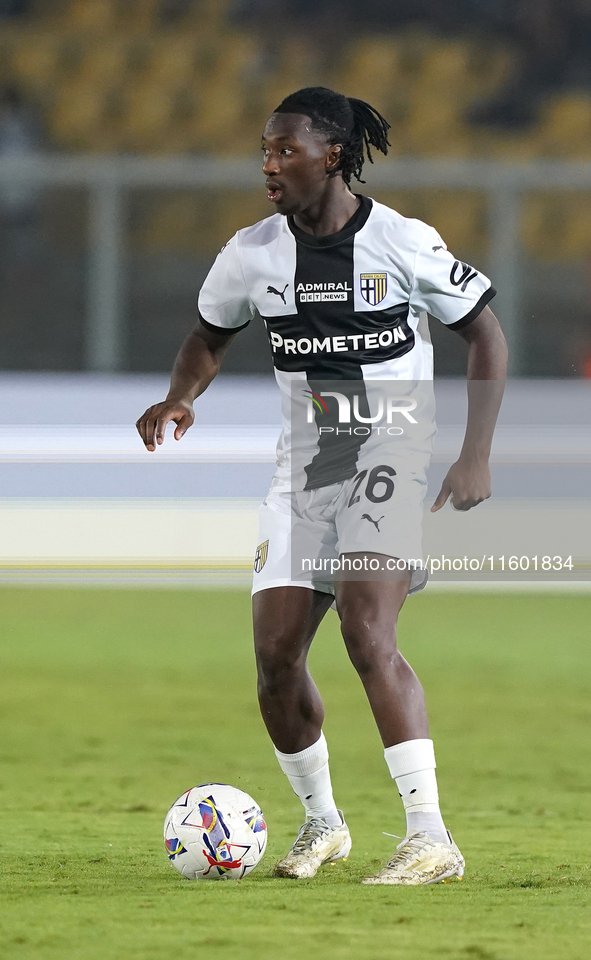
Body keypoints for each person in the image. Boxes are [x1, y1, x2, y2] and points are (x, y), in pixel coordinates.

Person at [137, 86, 508, 885]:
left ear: (332, 154)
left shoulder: (403, 242)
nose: (268, 165)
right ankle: (323, 824)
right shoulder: (251, 251)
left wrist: (474, 453)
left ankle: (429, 836)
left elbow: (483, 331)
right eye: (264, 151)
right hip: (305, 458)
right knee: (275, 658)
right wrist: (180, 394)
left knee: (367, 633)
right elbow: (209, 332)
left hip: (391, 444)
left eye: (285, 150)